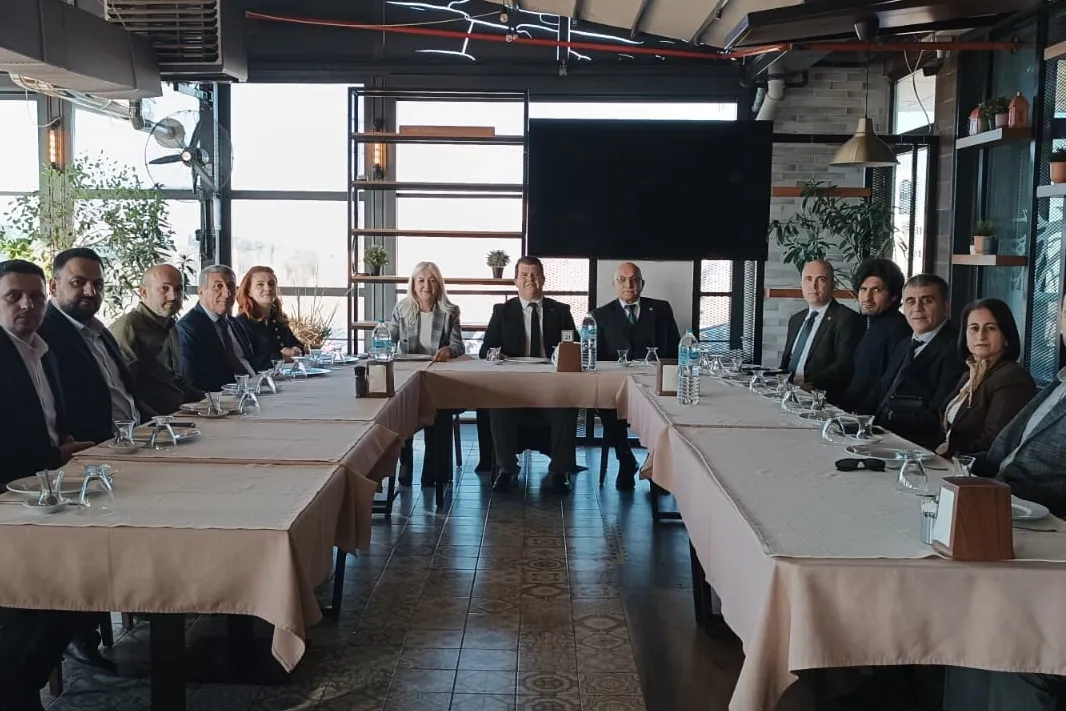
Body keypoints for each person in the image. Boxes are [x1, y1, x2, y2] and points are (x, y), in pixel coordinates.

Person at [943, 294, 1066, 711]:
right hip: (1004, 510)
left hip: (1044, 532)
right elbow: (1003, 449)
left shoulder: (1012, 377)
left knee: (991, 620)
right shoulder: (1058, 383)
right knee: (954, 601)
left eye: (990, 327)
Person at [0, 259, 101, 709]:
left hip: (49, 495)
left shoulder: (44, 352)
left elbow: (54, 429)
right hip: (9, 506)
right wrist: (54, 457)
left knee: (93, 575)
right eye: (13, 296)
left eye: (36, 296)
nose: (27, 304)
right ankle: (16, 687)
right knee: (51, 590)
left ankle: (22, 682)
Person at [480, 255, 578, 494]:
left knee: (567, 408)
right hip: (514, 386)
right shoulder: (502, 311)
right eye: (524, 275)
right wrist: (497, 354)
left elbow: (575, 348)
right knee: (498, 408)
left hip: (552, 386)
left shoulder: (561, 311)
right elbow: (486, 350)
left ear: (543, 279)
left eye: (535, 274)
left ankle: (560, 471)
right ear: (515, 280)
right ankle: (507, 470)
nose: (529, 279)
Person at [37, 248, 146, 445]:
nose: (91, 291)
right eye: (78, 282)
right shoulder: (42, 334)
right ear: (53, 287)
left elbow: (126, 394)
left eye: (98, 284)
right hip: (92, 452)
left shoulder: (101, 331)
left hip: (136, 440)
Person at [591, 262, 679, 490]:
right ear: (613, 284)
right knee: (606, 407)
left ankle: (656, 467)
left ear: (642, 284)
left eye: (634, 279)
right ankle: (626, 460)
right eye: (622, 279)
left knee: (665, 412)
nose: (628, 284)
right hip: (616, 386)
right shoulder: (600, 315)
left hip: (654, 383)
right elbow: (596, 358)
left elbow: (675, 349)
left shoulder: (661, 310)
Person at [859, 273, 964, 450]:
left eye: (927, 301)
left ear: (946, 306)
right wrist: (855, 419)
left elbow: (938, 415)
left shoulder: (956, 350)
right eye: (910, 301)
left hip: (916, 447)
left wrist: (884, 423)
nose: (917, 308)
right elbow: (881, 389)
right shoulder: (905, 342)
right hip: (881, 436)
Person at [387, 261, 465, 487]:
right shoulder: (402, 309)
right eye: (421, 280)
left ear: (439, 285)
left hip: (438, 378)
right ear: (413, 284)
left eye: (432, 280)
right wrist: (381, 342)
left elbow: (459, 346)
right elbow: (387, 339)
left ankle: (434, 470)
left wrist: (448, 350)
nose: (426, 286)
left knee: (439, 410)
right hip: (408, 376)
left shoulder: (450, 311)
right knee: (400, 409)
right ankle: (405, 462)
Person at [936, 298, 1036, 457]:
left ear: (1006, 336)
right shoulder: (971, 373)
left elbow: (993, 443)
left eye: (990, 328)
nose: (981, 336)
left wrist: (946, 455)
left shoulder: (1012, 378)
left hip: (975, 467)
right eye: (974, 328)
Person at [109, 264, 203, 417]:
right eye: (164, 289)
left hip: (180, 415)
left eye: (179, 289)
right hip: (152, 423)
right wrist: (160, 421)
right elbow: (124, 391)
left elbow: (175, 381)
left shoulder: (170, 326)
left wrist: (209, 400)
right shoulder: (129, 328)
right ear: (144, 292)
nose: (173, 296)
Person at [778, 259, 864, 401]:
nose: (813, 286)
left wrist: (809, 387)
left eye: (821, 279)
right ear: (801, 284)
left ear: (833, 286)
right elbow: (786, 363)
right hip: (788, 395)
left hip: (820, 399)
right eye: (808, 279)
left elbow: (844, 366)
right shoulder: (796, 320)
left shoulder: (847, 319)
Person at [836, 258, 911, 411]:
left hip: (869, 418)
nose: (867, 297)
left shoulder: (899, 330)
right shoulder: (867, 322)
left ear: (894, 296)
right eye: (863, 289)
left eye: (877, 290)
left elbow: (888, 385)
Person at [177, 265, 264, 392]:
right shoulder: (187, 328)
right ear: (200, 291)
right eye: (218, 286)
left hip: (255, 389)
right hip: (223, 398)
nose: (227, 293)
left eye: (231, 286)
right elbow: (191, 381)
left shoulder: (235, 324)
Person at [235, 266, 304, 364]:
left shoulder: (278, 318)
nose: (268, 288)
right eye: (260, 285)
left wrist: (296, 349)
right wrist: (280, 357)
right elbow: (245, 361)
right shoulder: (240, 323)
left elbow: (297, 344)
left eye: (271, 284)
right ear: (249, 291)